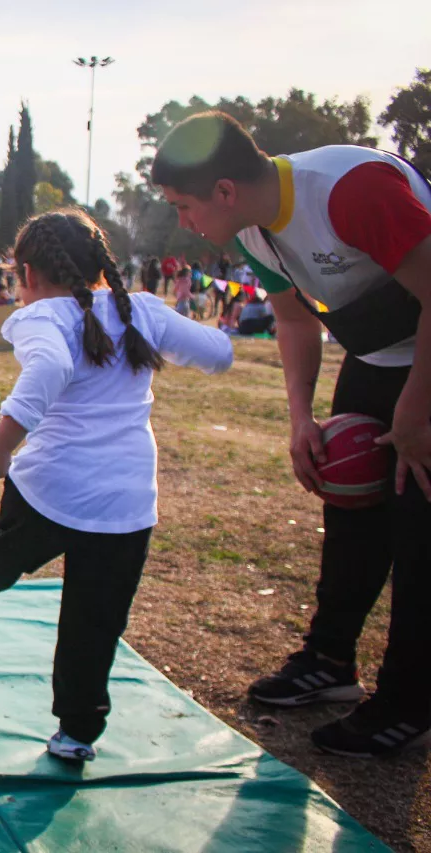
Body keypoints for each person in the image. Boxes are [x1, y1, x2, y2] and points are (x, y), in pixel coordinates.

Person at [153, 110, 431, 757]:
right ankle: (330, 659)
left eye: (184, 205)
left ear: (225, 190)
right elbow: (296, 321)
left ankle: (409, 700)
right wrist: (302, 418)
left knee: (419, 529)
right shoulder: (254, 230)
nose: (183, 222)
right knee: (350, 505)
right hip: (377, 354)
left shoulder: (351, 190)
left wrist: (415, 411)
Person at [0, 208, 233, 761]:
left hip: (50, 493)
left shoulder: (44, 317)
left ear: (28, 274)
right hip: (125, 504)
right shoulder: (142, 311)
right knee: (95, 624)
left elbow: (48, 369)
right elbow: (220, 353)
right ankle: (77, 733)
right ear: (101, 265)